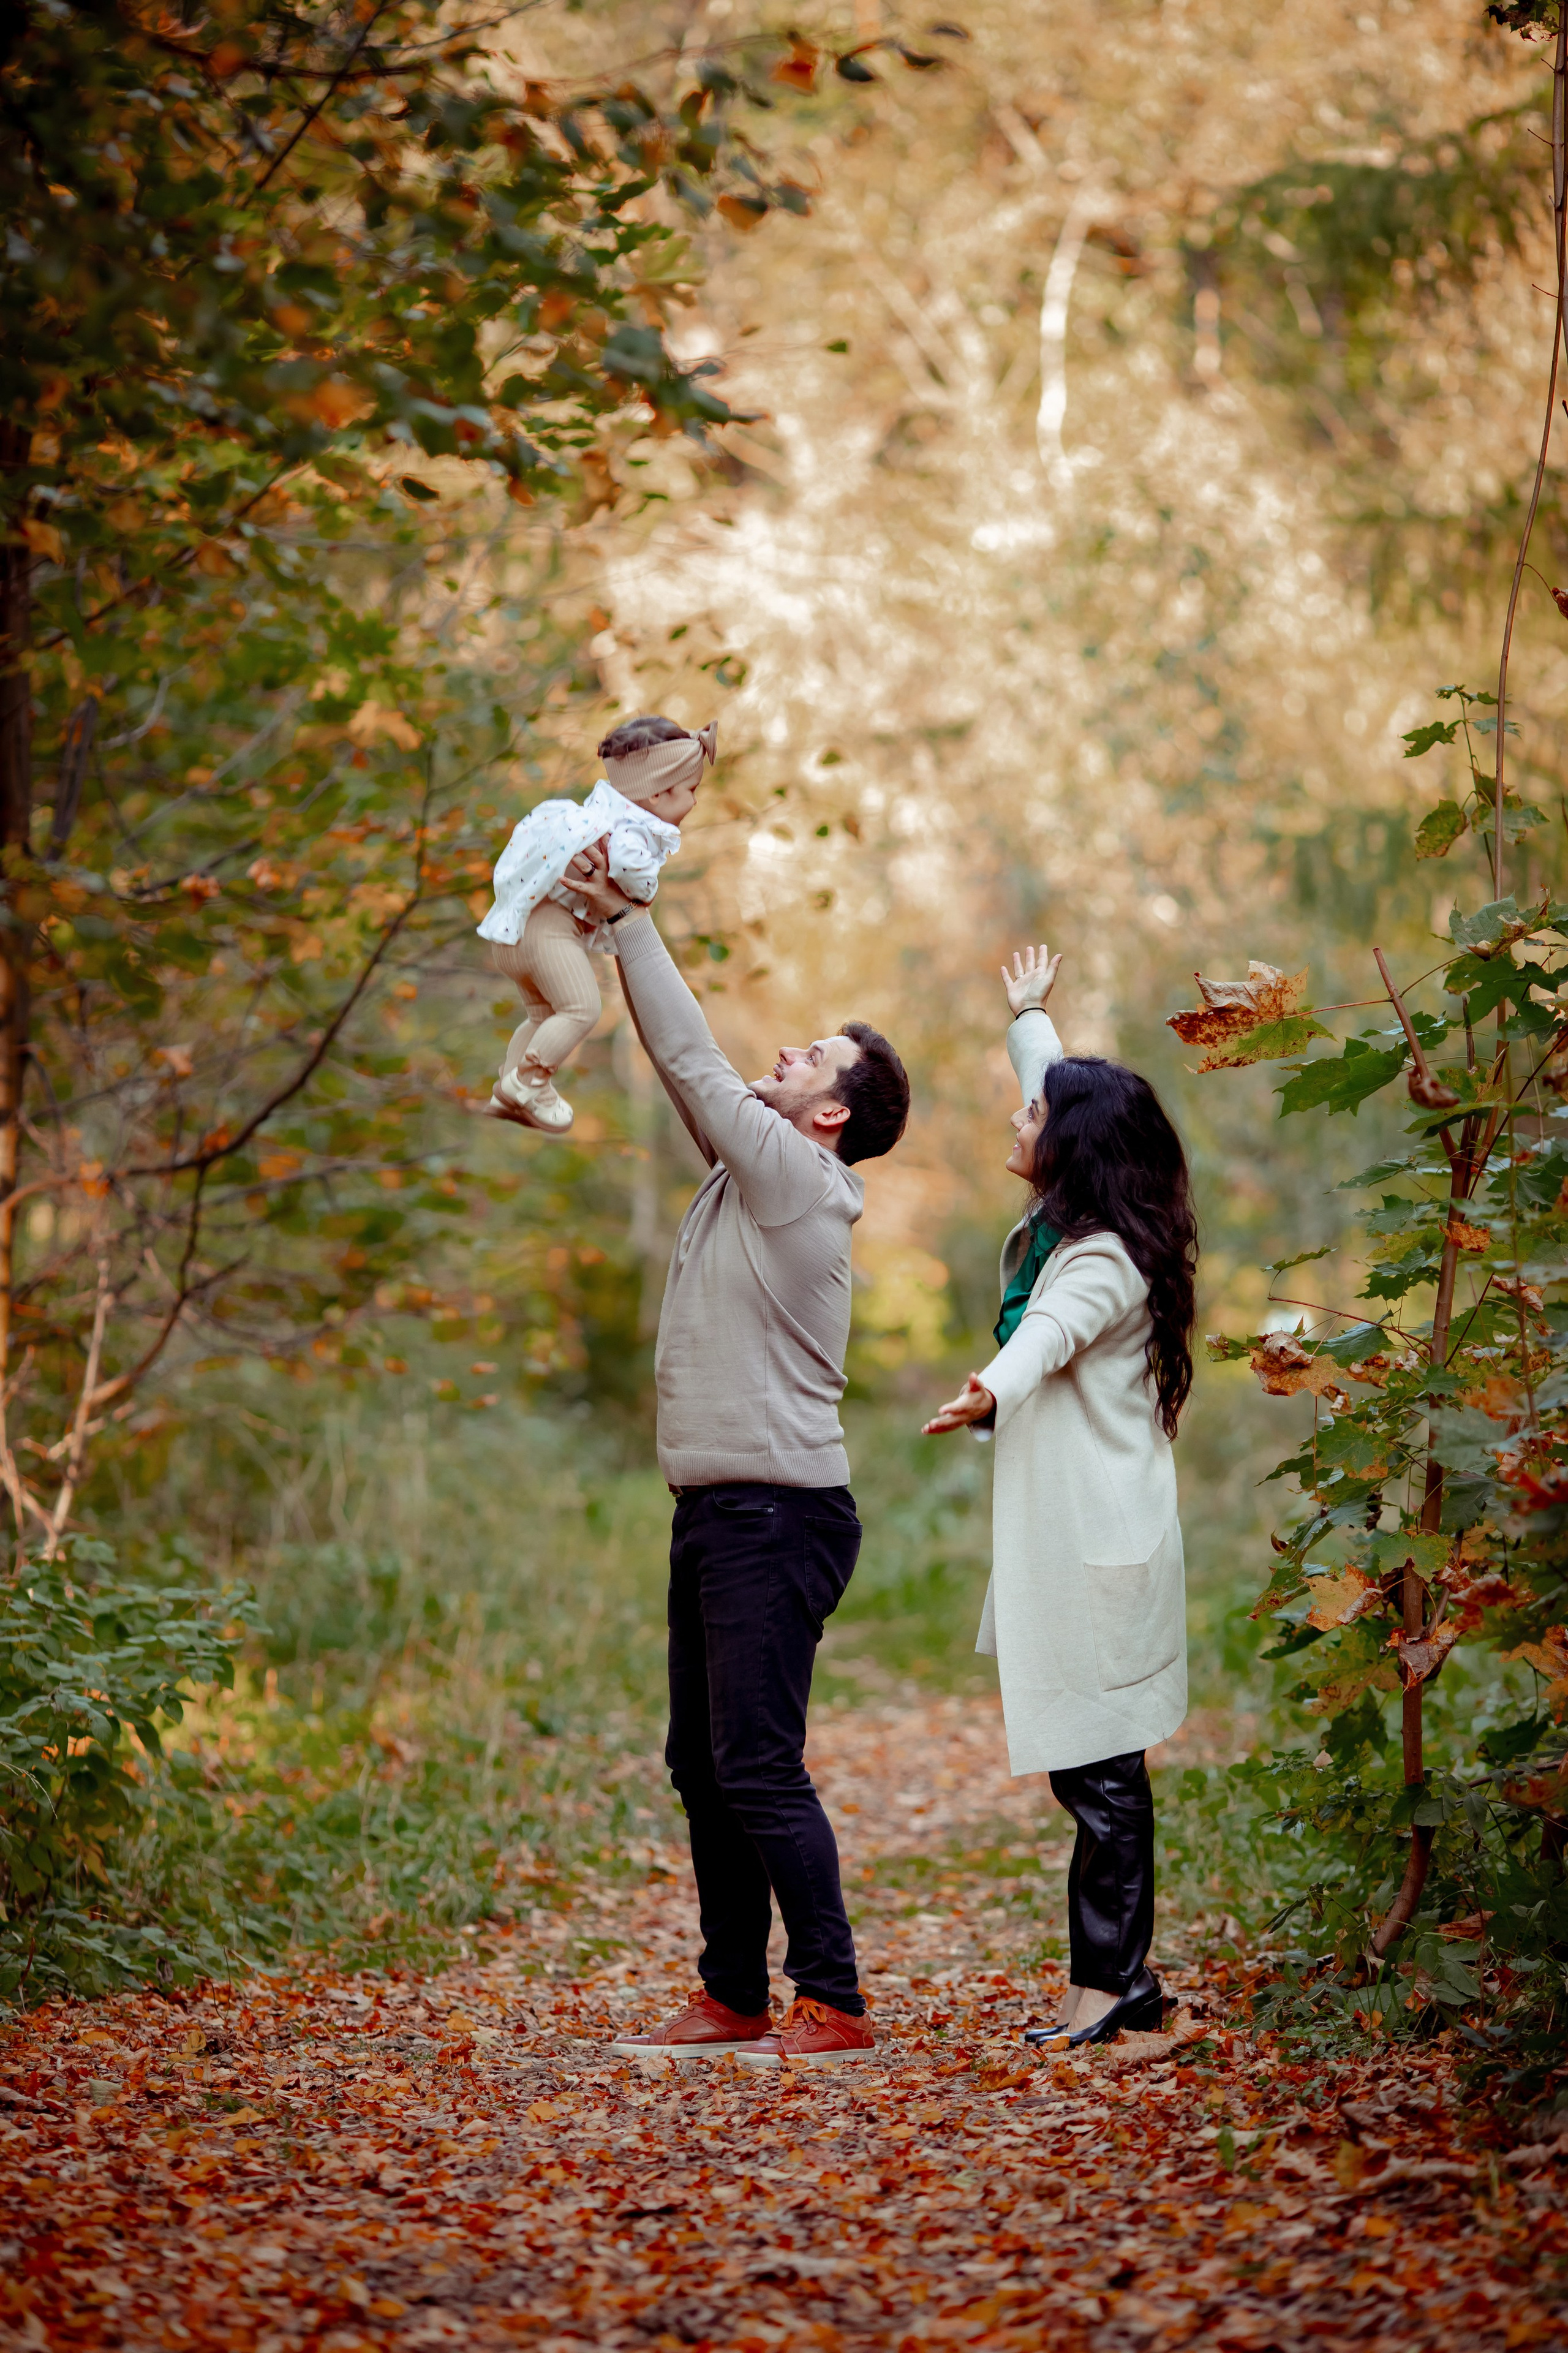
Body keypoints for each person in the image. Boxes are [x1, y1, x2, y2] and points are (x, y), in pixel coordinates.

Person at [565, 837, 911, 2068]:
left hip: (777, 1513)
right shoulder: (752, 1176)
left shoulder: (797, 1182)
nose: (787, 1052)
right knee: (702, 1764)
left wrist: (631, 921)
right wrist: (606, 934)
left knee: (755, 1762)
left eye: (811, 1056)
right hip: (720, 1510)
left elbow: (692, 1061)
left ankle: (834, 2001)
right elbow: (688, 1079)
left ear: (831, 1114)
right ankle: (731, 1995)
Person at [923, 945, 1196, 2049]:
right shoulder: (1083, 1227)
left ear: (1070, 1146)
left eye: (1032, 1112)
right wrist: (1031, 1015)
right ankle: (1110, 1984)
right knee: (1091, 1769)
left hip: (1098, 1545)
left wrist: (991, 1387)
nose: (1017, 1114)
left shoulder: (1099, 1263)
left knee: (1102, 1774)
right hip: (1088, 1539)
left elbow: (1047, 1334)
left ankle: (1118, 1987)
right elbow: (1058, 1084)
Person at [476, 714, 716, 1133]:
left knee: (542, 1016)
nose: (695, 802)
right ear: (657, 793)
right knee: (581, 1010)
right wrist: (646, 890)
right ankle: (529, 1082)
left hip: (517, 934)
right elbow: (628, 867)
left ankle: (507, 1088)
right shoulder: (628, 830)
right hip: (548, 932)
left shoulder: (597, 812)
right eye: (691, 790)